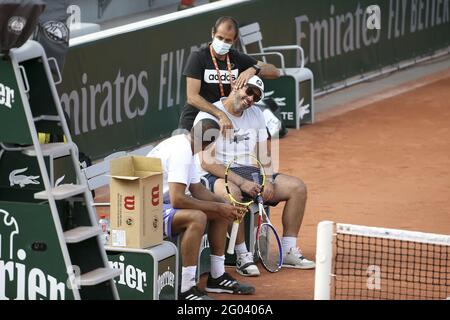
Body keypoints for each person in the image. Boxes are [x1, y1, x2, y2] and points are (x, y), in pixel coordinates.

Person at [194, 75, 315, 277]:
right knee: (232, 194)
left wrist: (266, 179)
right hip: (216, 174)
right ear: (236, 86)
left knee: (297, 187)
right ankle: (242, 255)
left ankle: (288, 249)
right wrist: (241, 182)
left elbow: (263, 154)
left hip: (249, 171)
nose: (251, 98)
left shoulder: (257, 115)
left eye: (256, 97)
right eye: (248, 91)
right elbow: (207, 161)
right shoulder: (211, 113)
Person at [146, 119, 255, 300]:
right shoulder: (181, 152)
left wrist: (224, 204)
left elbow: (197, 189)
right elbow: (178, 199)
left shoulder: (187, 145)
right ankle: (187, 289)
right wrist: (217, 207)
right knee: (197, 218)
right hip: (148, 211)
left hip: (161, 206)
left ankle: (217, 277)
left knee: (221, 212)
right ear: (209, 142)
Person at [179, 16, 280, 132]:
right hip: (195, 120)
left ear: (234, 39)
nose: (222, 43)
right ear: (213, 33)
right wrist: (220, 114)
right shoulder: (198, 57)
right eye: (220, 38)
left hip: (224, 123)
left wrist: (253, 69)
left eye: (228, 40)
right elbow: (192, 97)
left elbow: (275, 72)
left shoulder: (236, 57)